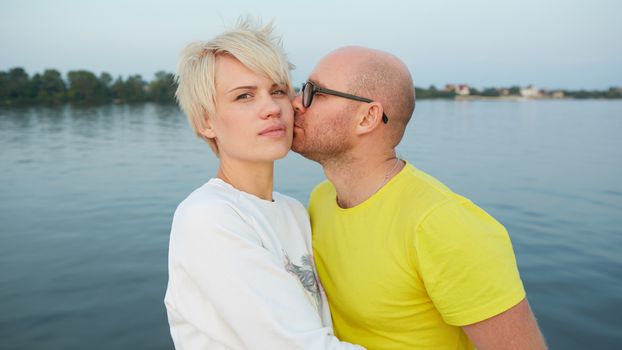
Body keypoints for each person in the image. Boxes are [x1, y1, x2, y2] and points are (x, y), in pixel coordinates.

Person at [292, 46, 547, 350]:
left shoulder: (442, 225)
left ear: (367, 117)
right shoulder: (321, 200)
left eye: (314, 92)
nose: (295, 103)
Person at [164, 20, 363, 350]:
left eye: (278, 91)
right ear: (206, 122)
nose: (271, 109)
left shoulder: (294, 211)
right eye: (244, 96)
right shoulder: (208, 218)